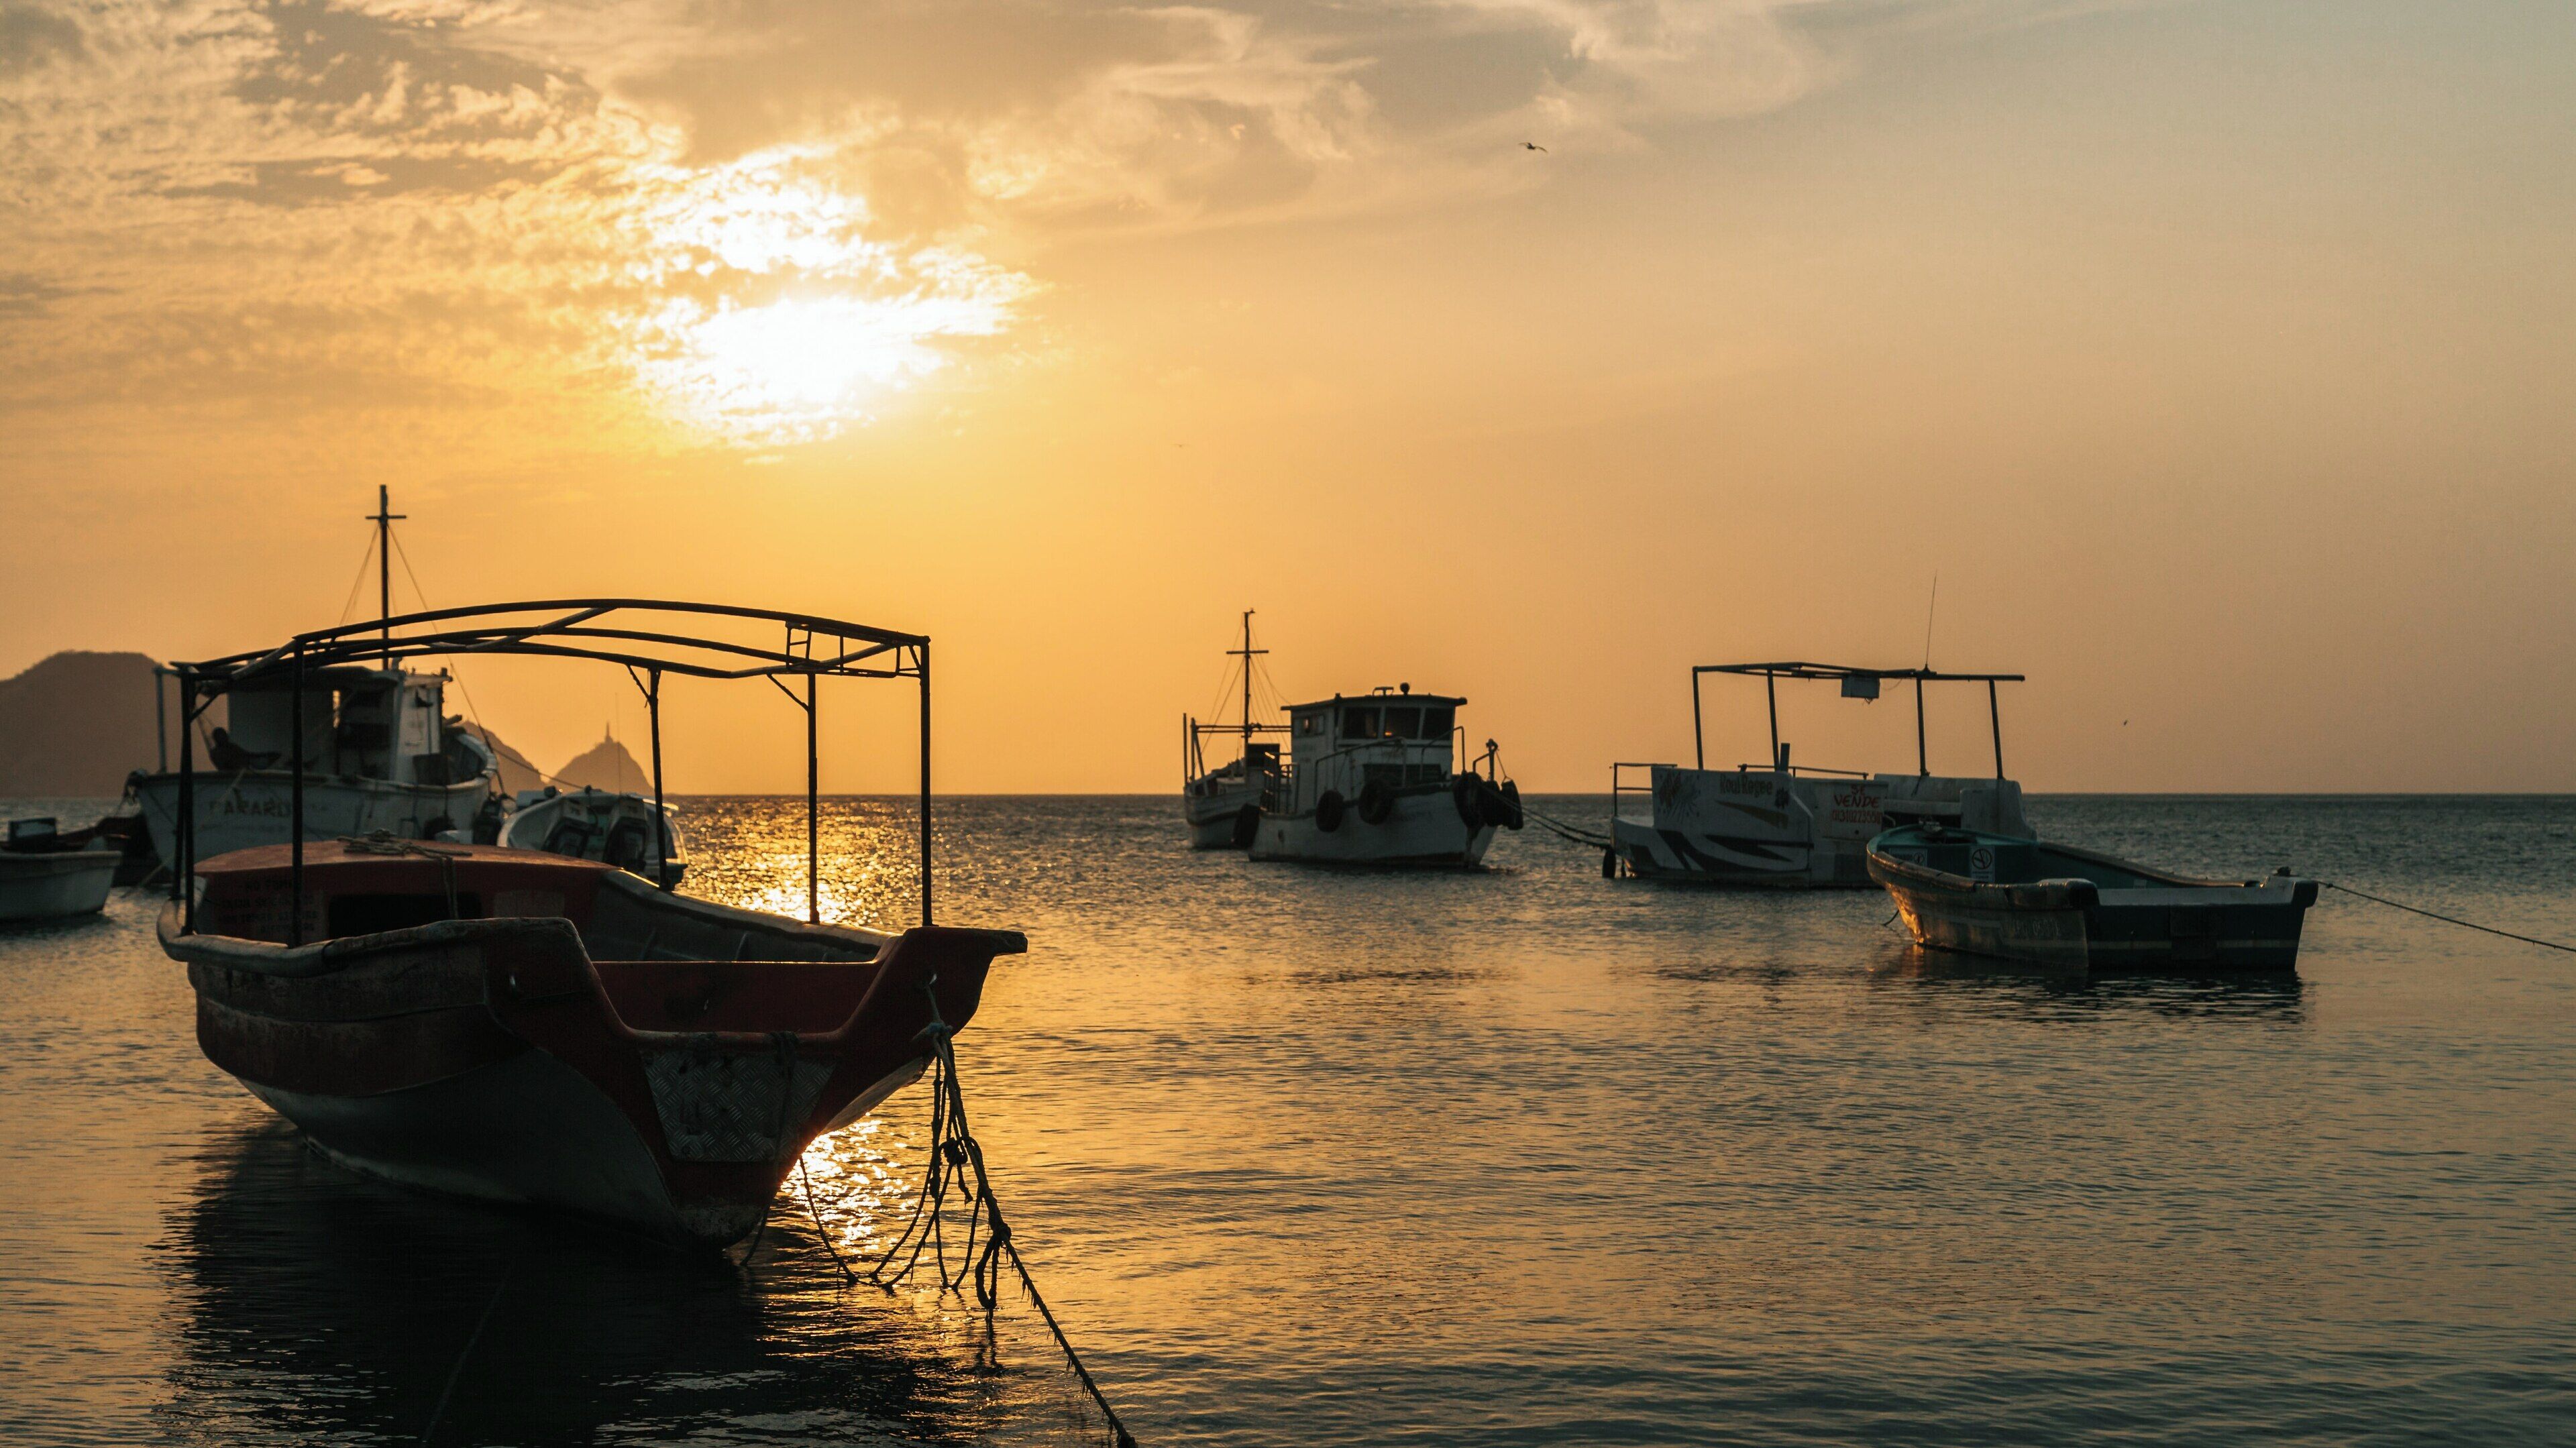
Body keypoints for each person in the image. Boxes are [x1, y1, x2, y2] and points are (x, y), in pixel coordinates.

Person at [207, 726, 281, 771]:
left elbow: (247, 755)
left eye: (223, 736)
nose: (223, 738)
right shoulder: (215, 752)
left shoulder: (232, 747)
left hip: (245, 770)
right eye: (220, 736)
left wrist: (267, 754)